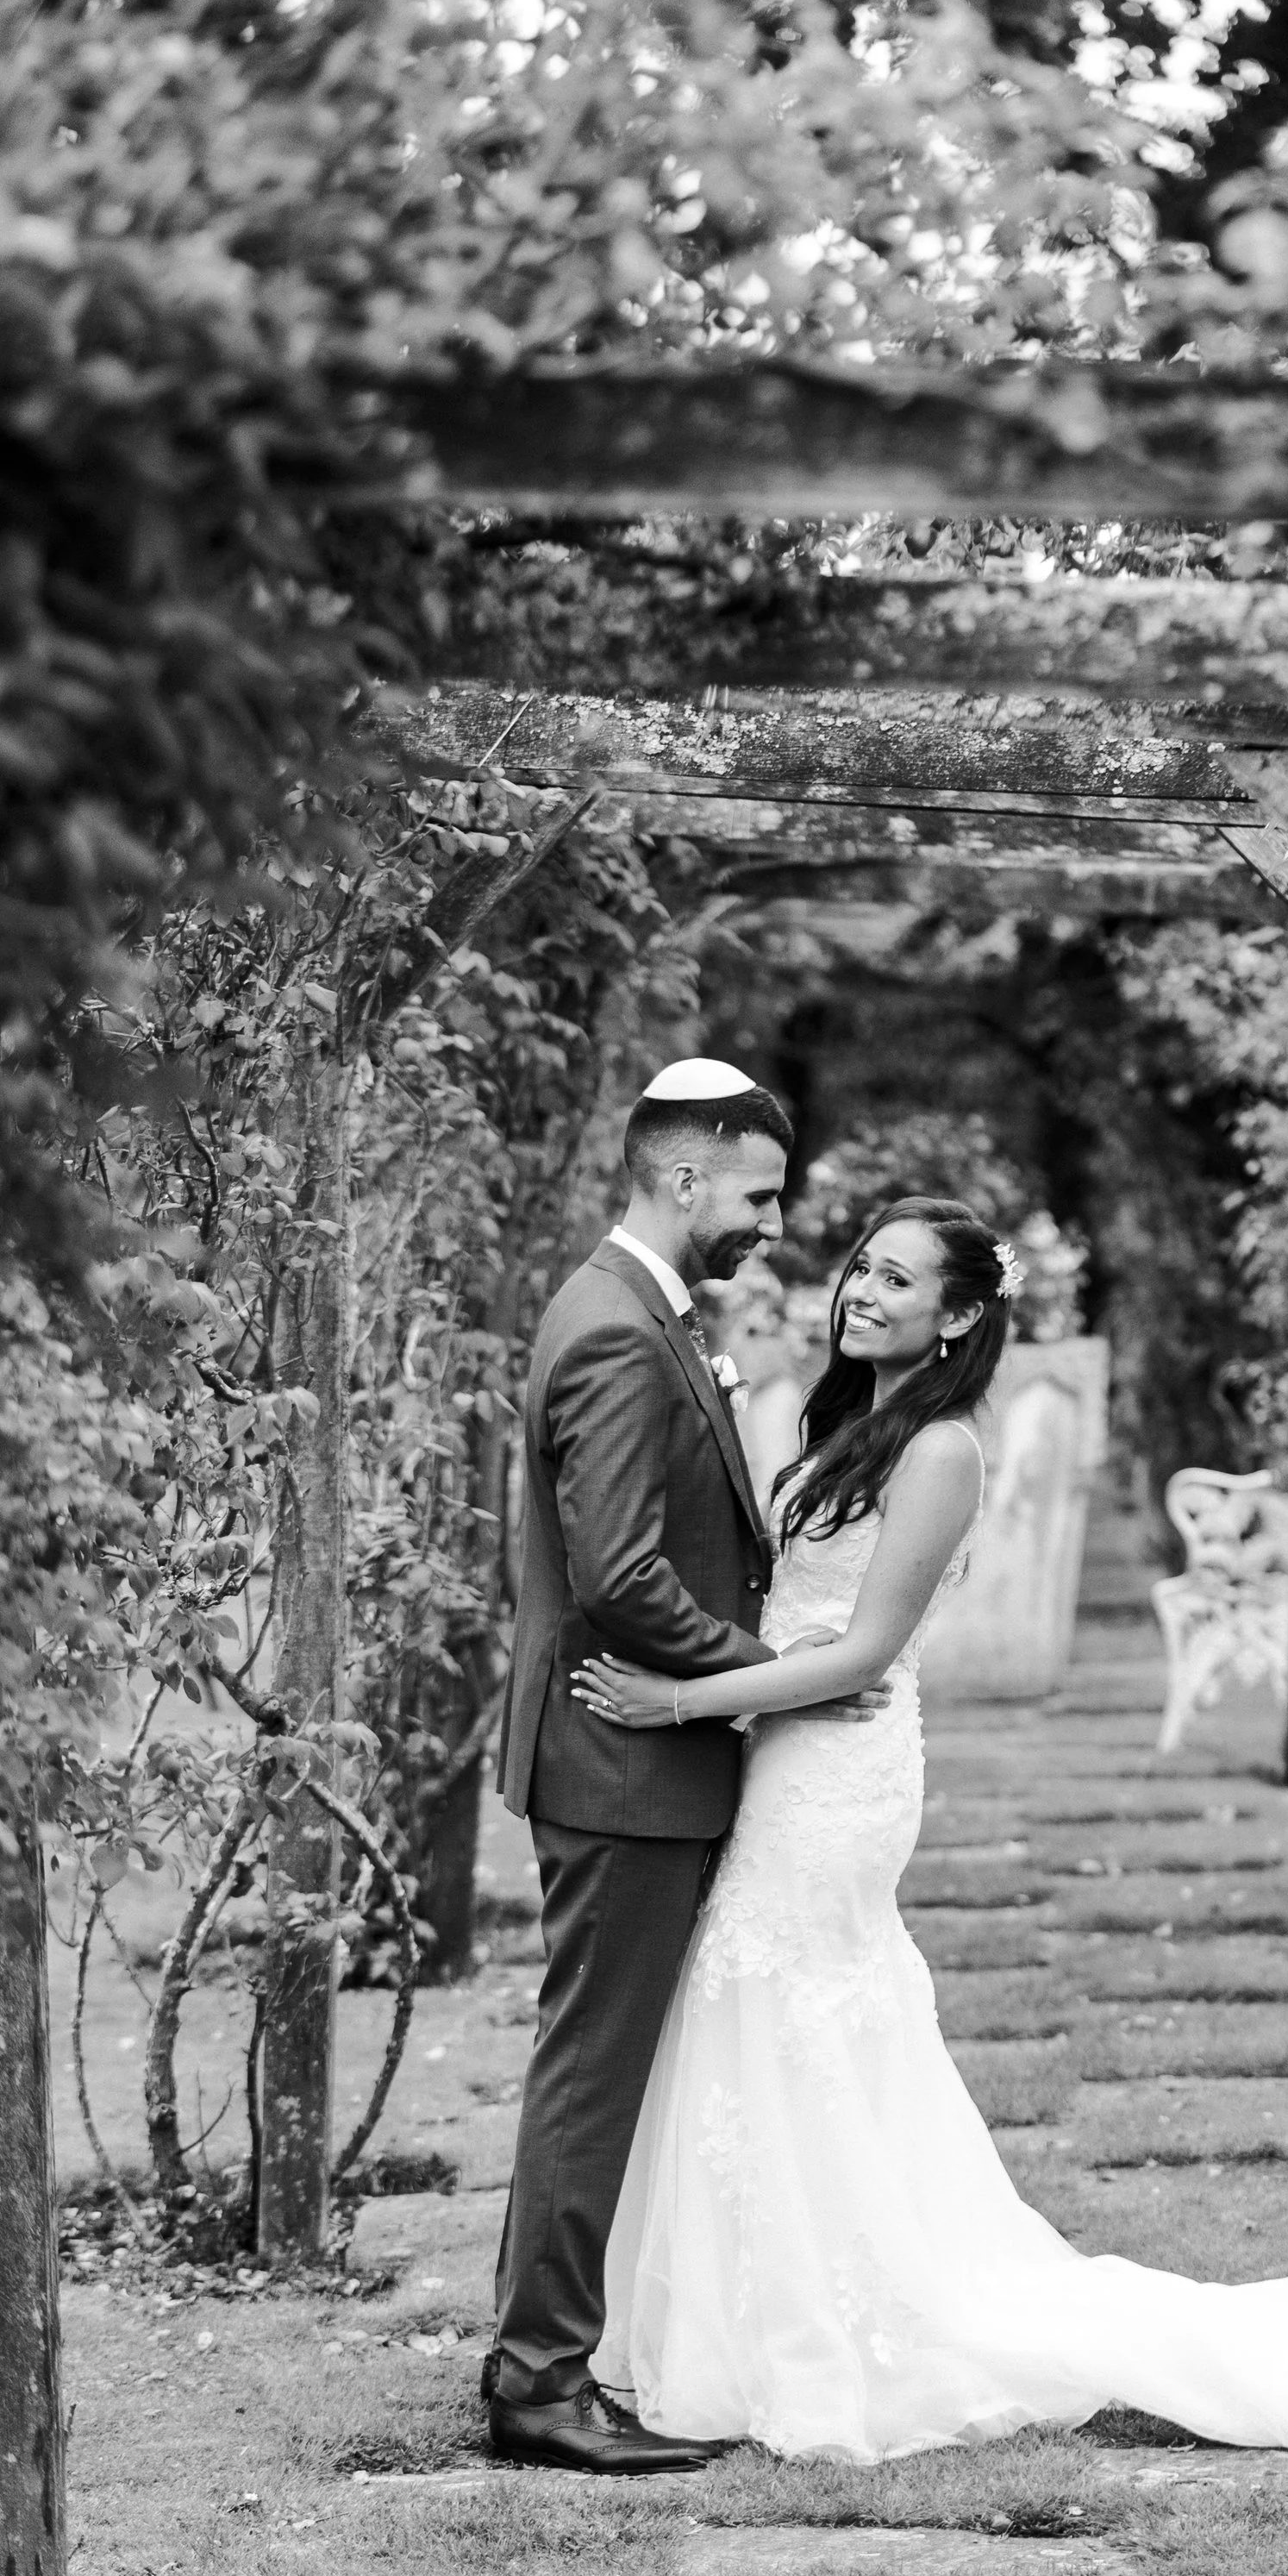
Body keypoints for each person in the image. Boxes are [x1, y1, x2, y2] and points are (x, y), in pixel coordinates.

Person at [571, 1194, 1288, 2467]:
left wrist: (681, 1695)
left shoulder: (943, 1450)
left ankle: (821, 2326)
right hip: (791, 1752)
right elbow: (791, 1609)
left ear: (960, 1315)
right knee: (776, 2016)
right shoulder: (834, 1421)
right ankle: (759, 2306)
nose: (861, 1292)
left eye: (898, 1282)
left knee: (781, 1999)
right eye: (860, 1269)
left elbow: (864, 1649)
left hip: (835, 1778)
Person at [484, 1057, 807, 2473]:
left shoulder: (631, 1307)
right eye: (757, 1191)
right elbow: (618, 1571)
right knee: (592, 2072)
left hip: (622, 1751)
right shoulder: (617, 1327)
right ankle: (540, 2383)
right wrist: (762, 1675)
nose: (770, 1221)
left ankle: (538, 2357)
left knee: (593, 2063)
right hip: (623, 1755)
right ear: (686, 1174)